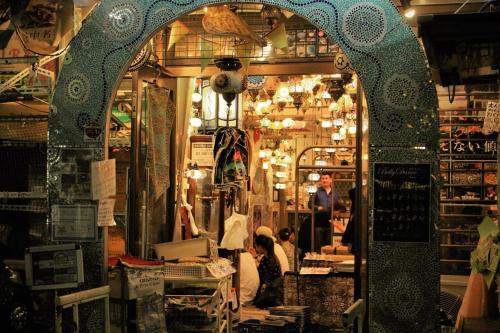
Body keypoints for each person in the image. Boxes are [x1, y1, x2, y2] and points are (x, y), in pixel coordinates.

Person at [299, 172, 346, 256]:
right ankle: (319, 265)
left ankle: (328, 264)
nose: (324, 180)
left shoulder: (335, 193)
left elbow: (341, 206)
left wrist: (337, 212)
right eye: (323, 178)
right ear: (321, 180)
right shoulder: (317, 191)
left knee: (328, 246)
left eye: (326, 178)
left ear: (331, 180)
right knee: (318, 246)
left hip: (330, 223)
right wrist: (318, 208)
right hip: (318, 223)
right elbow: (310, 204)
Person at [253, 235, 283, 308]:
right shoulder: (274, 257)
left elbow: (260, 278)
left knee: (256, 302)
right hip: (277, 292)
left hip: (269, 292)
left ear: (261, 247)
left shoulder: (265, 260)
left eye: (256, 246)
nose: (256, 249)